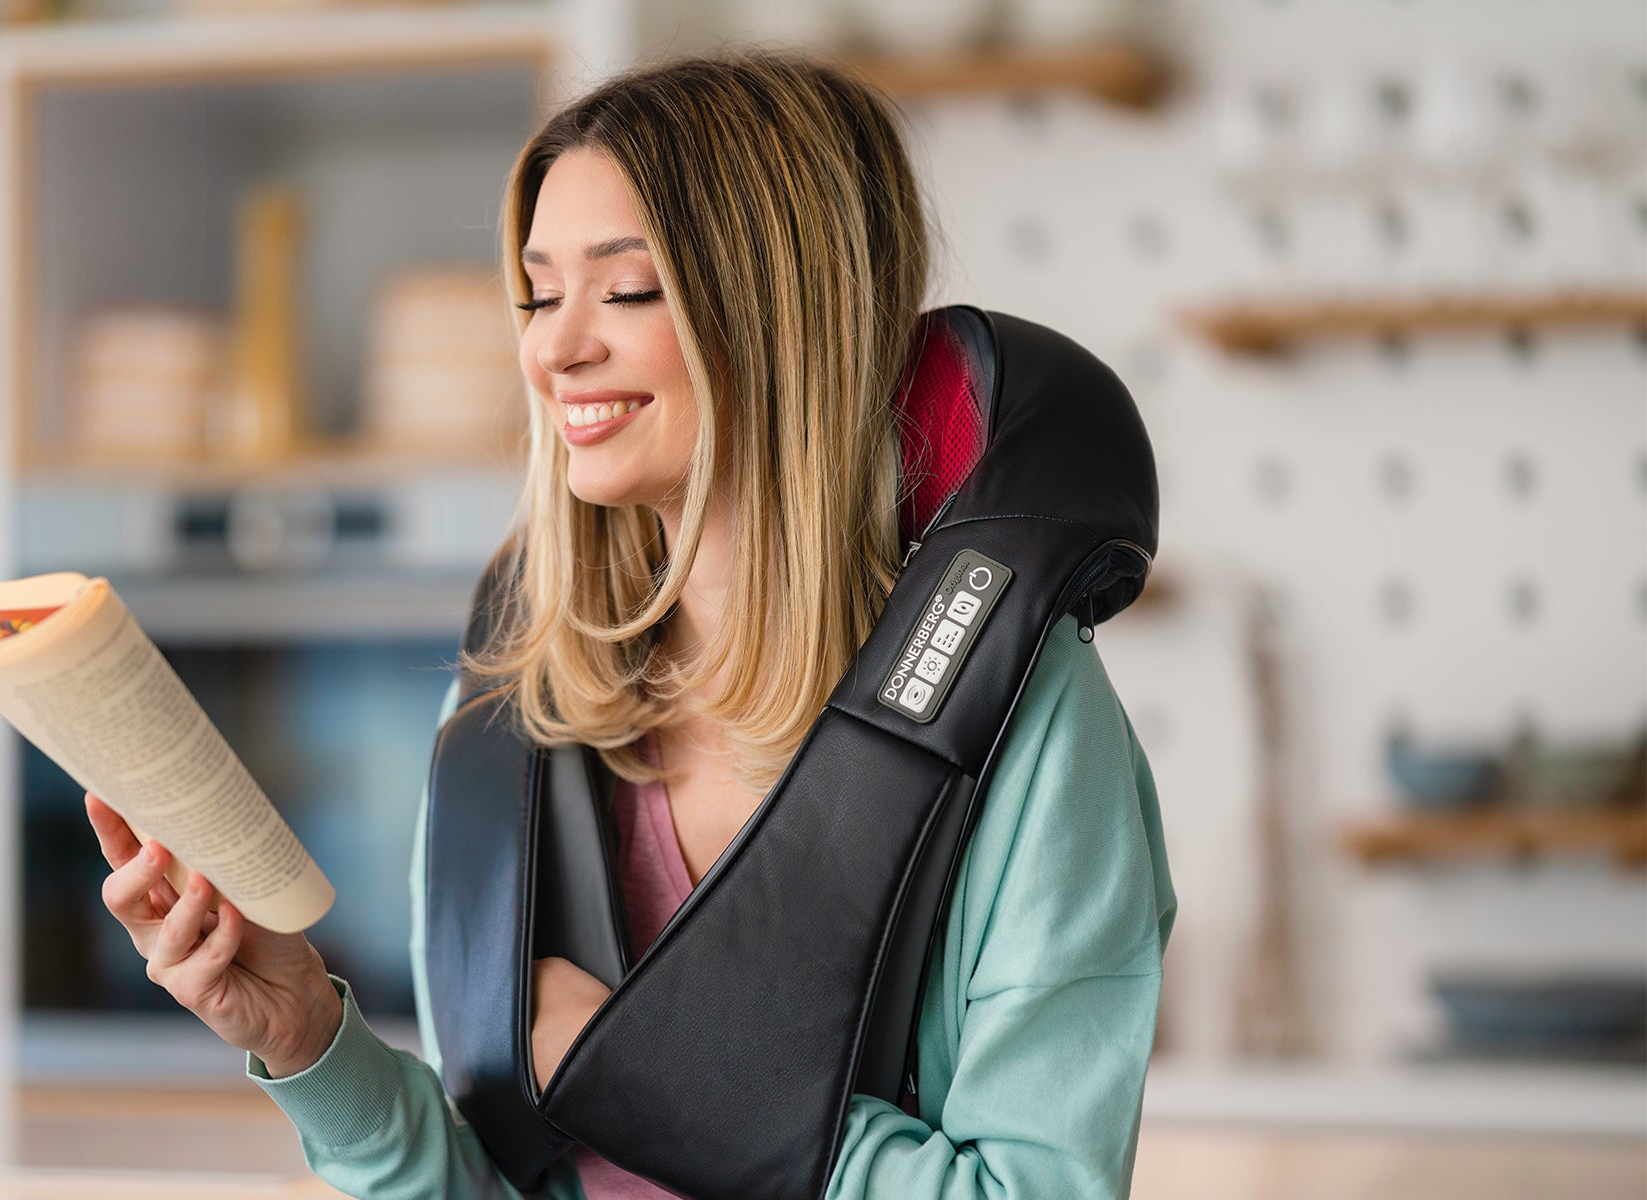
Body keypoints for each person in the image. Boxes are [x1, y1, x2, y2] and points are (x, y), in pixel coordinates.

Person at [84, 51, 1175, 1199]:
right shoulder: (516, 693)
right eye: (540, 293)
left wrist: (654, 1078)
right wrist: (312, 1043)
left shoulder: (1027, 723)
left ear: (784, 316)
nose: (555, 350)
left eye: (628, 288)